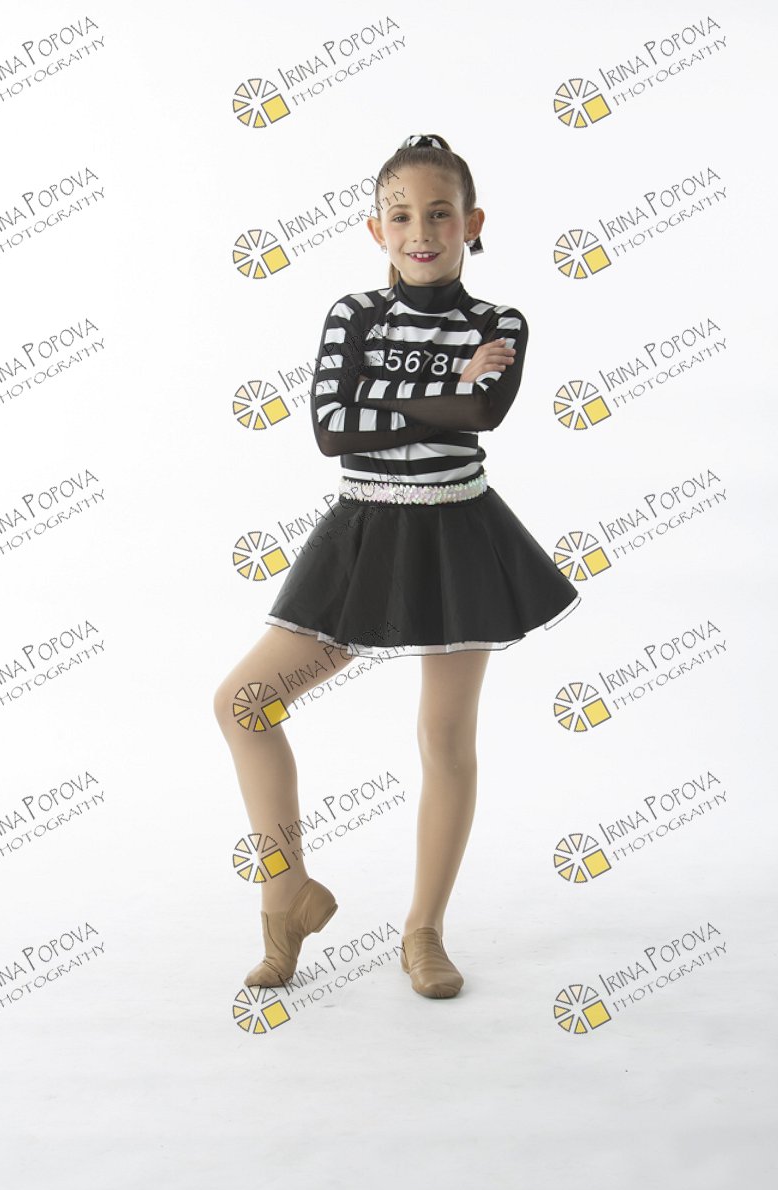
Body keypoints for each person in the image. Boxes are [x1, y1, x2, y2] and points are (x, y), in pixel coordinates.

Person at [213, 133, 582, 1001]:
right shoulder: (352, 315)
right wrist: (443, 391)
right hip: (363, 537)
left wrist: (403, 396)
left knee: (445, 739)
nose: (422, 231)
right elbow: (330, 429)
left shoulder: (500, 324)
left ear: (472, 223)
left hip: (459, 539)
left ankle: (424, 929)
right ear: (377, 229)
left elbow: (480, 414)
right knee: (244, 703)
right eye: (402, 215)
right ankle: (286, 898)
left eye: (440, 213)